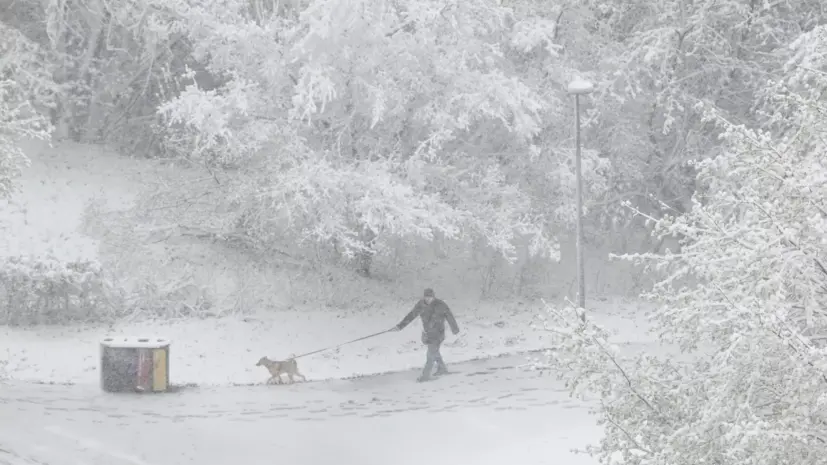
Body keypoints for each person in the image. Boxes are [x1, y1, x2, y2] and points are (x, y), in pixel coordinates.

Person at [391, 288, 460, 382]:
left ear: (433, 297)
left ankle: (425, 375)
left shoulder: (440, 305)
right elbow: (411, 315)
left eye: (430, 297)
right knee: (434, 352)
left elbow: (449, 315)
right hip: (427, 333)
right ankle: (442, 368)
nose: (428, 299)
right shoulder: (421, 304)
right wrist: (400, 326)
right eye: (426, 297)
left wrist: (454, 328)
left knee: (430, 354)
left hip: (438, 333)